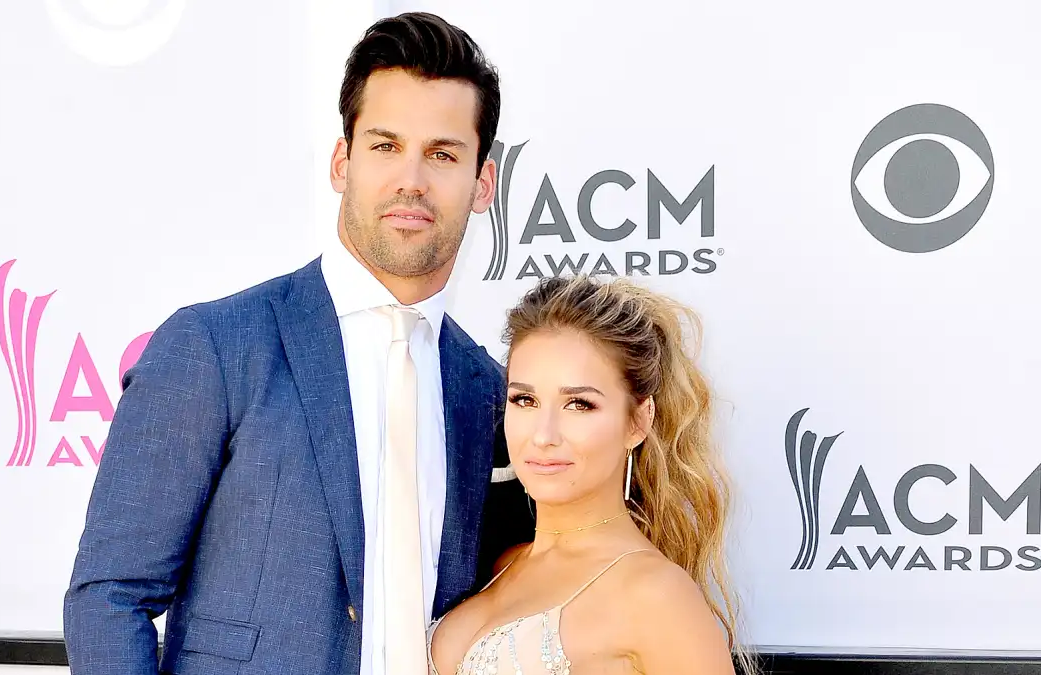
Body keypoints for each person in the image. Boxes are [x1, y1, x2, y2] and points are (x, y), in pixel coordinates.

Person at [62, 12, 532, 675]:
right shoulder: (216, 347)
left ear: (484, 182)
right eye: (384, 145)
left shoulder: (489, 390)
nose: (411, 180)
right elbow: (110, 596)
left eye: (443, 153)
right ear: (342, 162)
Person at [426, 274, 756, 675]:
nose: (543, 435)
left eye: (579, 404)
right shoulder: (501, 564)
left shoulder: (658, 597)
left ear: (637, 420)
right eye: (525, 399)